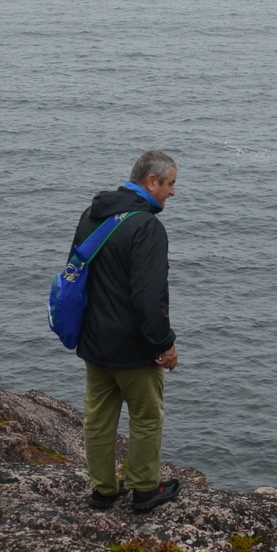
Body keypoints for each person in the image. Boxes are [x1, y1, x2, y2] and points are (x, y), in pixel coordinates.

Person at [71, 149, 182, 513]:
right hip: (133, 347)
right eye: (170, 184)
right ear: (151, 182)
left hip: (94, 341)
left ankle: (103, 491)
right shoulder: (146, 227)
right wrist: (164, 344)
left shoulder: (93, 216)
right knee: (147, 416)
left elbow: (77, 274)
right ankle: (145, 491)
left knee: (99, 419)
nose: (173, 193)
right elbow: (149, 296)